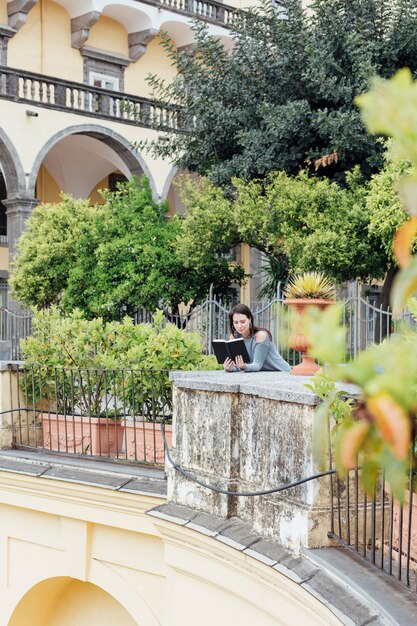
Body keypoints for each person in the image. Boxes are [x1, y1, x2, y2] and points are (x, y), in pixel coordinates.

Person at [224, 303, 291, 373]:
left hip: (282, 372)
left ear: (249, 319)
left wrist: (243, 366)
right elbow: (242, 366)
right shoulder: (234, 338)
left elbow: (257, 365)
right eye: (236, 322)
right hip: (263, 374)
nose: (239, 326)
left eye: (242, 321)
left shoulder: (260, 336)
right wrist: (230, 368)